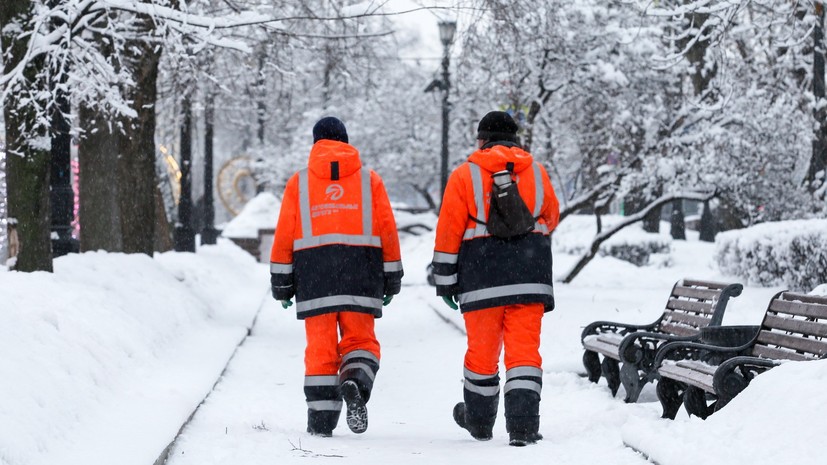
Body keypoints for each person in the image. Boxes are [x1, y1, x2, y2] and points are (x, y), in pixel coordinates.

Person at [431, 111, 559, 446]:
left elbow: (448, 231)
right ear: (515, 138)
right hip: (529, 278)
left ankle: (479, 421)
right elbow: (552, 216)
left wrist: (446, 281)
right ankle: (523, 426)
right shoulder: (536, 171)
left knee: (482, 353)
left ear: (483, 139)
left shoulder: (465, 175)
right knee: (524, 354)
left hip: (481, 279)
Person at [269, 116, 403, 437]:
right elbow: (387, 231)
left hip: (314, 278)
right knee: (361, 341)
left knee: (320, 350)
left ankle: (321, 421)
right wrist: (392, 278)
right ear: (346, 141)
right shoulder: (370, 181)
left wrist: (282, 284)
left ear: (315, 143)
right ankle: (355, 379)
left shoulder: (298, 183)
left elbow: (284, 236)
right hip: (362, 274)